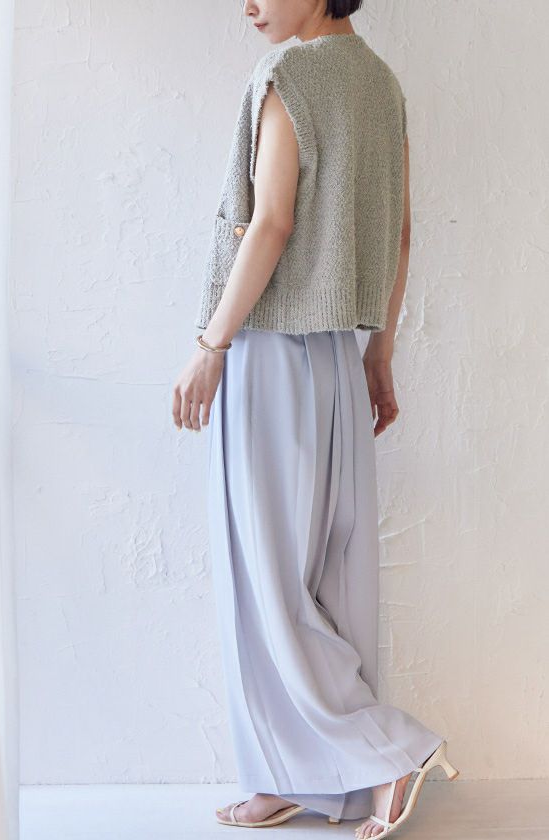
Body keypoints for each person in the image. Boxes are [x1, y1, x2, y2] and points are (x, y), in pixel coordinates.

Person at [171, 1, 460, 837]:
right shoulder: (382, 84)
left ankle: (392, 752)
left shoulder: (288, 75)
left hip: (267, 350)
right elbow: (399, 234)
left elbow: (272, 222)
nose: (249, 4)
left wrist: (211, 345)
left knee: (267, 583)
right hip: (336, 355)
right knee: (328, 577)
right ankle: (308, 777)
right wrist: (380, 352)